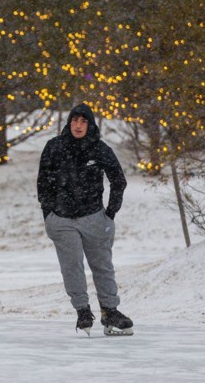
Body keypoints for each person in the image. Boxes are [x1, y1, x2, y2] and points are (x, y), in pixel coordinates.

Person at [37, 103, 133, 336]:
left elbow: (118, 180)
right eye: (74, 121)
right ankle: (82, 310)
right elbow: (43, 182)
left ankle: (110, 311)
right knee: (72, 267)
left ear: (89, 125)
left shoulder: (99, 149)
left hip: (94, 218)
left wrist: (110, 212)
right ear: (69, 123)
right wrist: (48, 213)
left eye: (83, 122)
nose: (78, 126)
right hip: (61, 219)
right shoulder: (54, 147)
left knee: (102, 266)